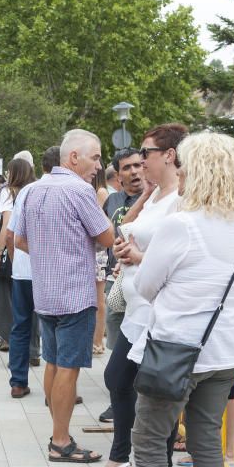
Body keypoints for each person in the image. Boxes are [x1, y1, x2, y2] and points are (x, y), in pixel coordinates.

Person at [91, 132, 234, 467]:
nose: (175, 169)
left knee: (148, 443)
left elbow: (143, 286)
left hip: (175, 350)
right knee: (206, 447)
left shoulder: (182, 224)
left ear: (194, 170)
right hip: (225, 352)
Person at [13, 130, 114, 463]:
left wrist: (49, 253)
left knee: (53, 363)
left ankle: (59, 431)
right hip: (75, 293)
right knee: (68, 368)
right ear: (73, 157)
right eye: (95, 157)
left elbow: (20, 239)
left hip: (45, 291)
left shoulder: (31, 190)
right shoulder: (80, 190)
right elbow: (107, 236)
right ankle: (60, 441)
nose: (98, 165)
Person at [100, 124, 188, 467]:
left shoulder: (181, 199)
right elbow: (124, 227)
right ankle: (125, 460)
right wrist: (144, 197)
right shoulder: (156, 195)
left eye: (146, 154)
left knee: (150, 391)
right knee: (120, 380)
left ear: (168, 155)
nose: (139, 163)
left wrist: (138, 257)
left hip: (159, 312)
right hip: (138, 307)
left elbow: (182, 255)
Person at [4, 147, 58, 393]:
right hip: (51, 271)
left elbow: (11, 234)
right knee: (55, 327)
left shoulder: (26, 192)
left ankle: (18, 382)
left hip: (23, 271)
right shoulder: (67, 191)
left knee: (21, 326)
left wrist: (17, 263)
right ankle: (59, 387)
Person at [97, 149, 144, 422]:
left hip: (145, 279)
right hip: (117, 277)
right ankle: (120, 398)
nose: (135, 172)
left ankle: (136, 397)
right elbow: (108, 232)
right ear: (118, 175)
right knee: (117, 335)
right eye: (127, 167)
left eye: (139, 165)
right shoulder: (113, 199)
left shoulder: (154, 199)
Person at [0, 157, 36, 363]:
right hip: (36, 256)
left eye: (9, 172)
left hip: (16, 254)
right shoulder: (37, 189)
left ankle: (16, 360)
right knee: (35, 309)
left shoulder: (9, 192)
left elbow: (8, 228)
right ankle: (34, 350)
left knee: (13, 306)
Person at [91, 167, 111, 355]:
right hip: (92, 250)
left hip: (98, 251)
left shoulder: (100, 192)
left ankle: (98, 341)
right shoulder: (92, 190)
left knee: (98, 299)